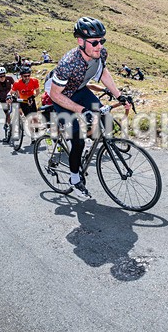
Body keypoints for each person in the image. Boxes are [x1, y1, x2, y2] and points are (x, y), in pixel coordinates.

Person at [49, 16, 129, 199]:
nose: (99, 46)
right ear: (80, 41)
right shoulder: (68, 64)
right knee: (78, 140)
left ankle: (89, 145)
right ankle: (74, 179)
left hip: (79, 89)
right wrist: (81, 110)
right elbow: (55, 95)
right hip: (61, 97)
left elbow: (103, 73)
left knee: (105, 118)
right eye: (94, 42)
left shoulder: (99, 53)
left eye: (102, 40)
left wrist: (119, 95)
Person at [11, 66, 40, 140]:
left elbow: (38, 92)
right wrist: (11, 97)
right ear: (21, 76)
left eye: (28, 76)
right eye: (25, 76)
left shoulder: (34, 81)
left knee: (35, 118)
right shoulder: (17, 83)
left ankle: (37, 130)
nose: (27, 78)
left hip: (31, 100)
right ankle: (32, 136)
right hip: (23, 102)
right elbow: (12, 92)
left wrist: (33, 97)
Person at [0, 67, 16, 132]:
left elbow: (15, 85)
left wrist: (14, 92)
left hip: (10, 96)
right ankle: (8, 125)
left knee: (18, 109)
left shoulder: (9, 78)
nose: (2, 77)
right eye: (0, 76)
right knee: (7, 113)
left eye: (3, 75)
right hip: (2, 98)